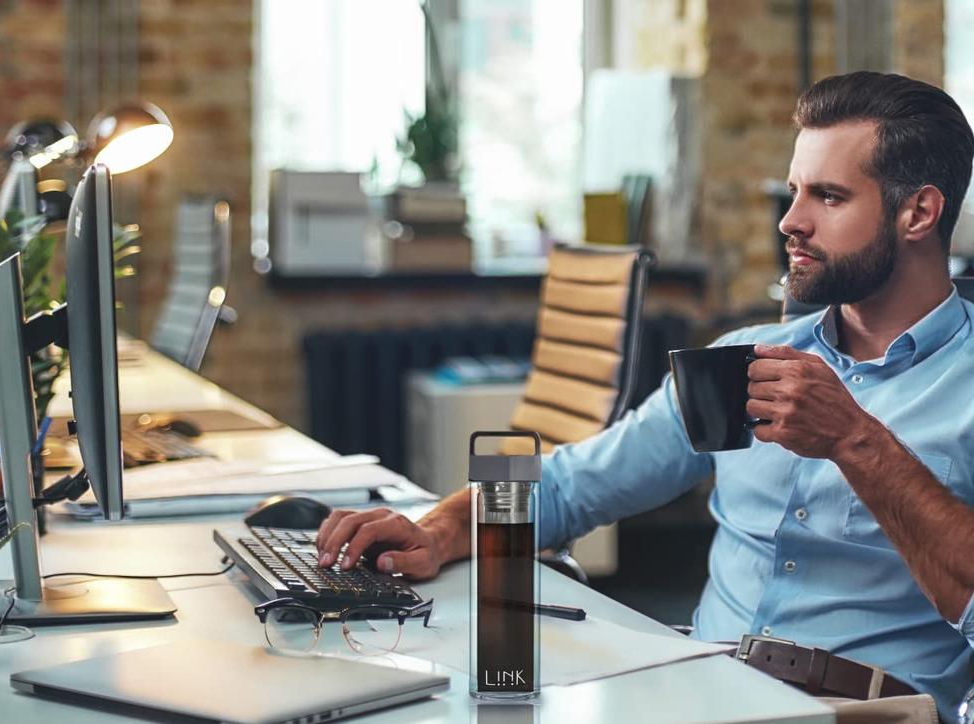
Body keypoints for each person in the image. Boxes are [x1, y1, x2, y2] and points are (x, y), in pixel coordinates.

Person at [317, 71, 974, 721]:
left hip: (865, 710)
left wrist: (855, 440)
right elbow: (571, 486)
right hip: (700, 689)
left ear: (918, 211)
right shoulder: (743, 358)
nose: (791, 222)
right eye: (795, 190)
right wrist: (438, 528)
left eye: (828, 196)